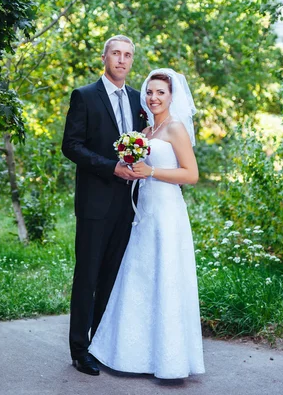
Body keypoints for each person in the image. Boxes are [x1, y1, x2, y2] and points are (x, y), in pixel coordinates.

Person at [88, 68, 206, 379]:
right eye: (150, 92)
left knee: (166, 276)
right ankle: (132, 355)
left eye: (160, 93)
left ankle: (171, 361)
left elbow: (191, 175)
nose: (153, 98)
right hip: (144, 211)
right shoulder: (147, 132)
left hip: (167, 212)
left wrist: (151, 173)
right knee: (141, 276)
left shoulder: (176, 129)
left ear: (171, 97)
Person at [61, 35, 148, 376]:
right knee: (87, 276)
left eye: (127, 55)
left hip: (129, 205)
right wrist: (110, 166)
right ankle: (80, 351)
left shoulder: (140, 100)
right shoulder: (84, 96)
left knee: (112, 276)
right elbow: (71, 146)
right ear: (105, 57)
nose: (122, 60)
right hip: (95, 202)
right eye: (116, 53)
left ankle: (101, 344)